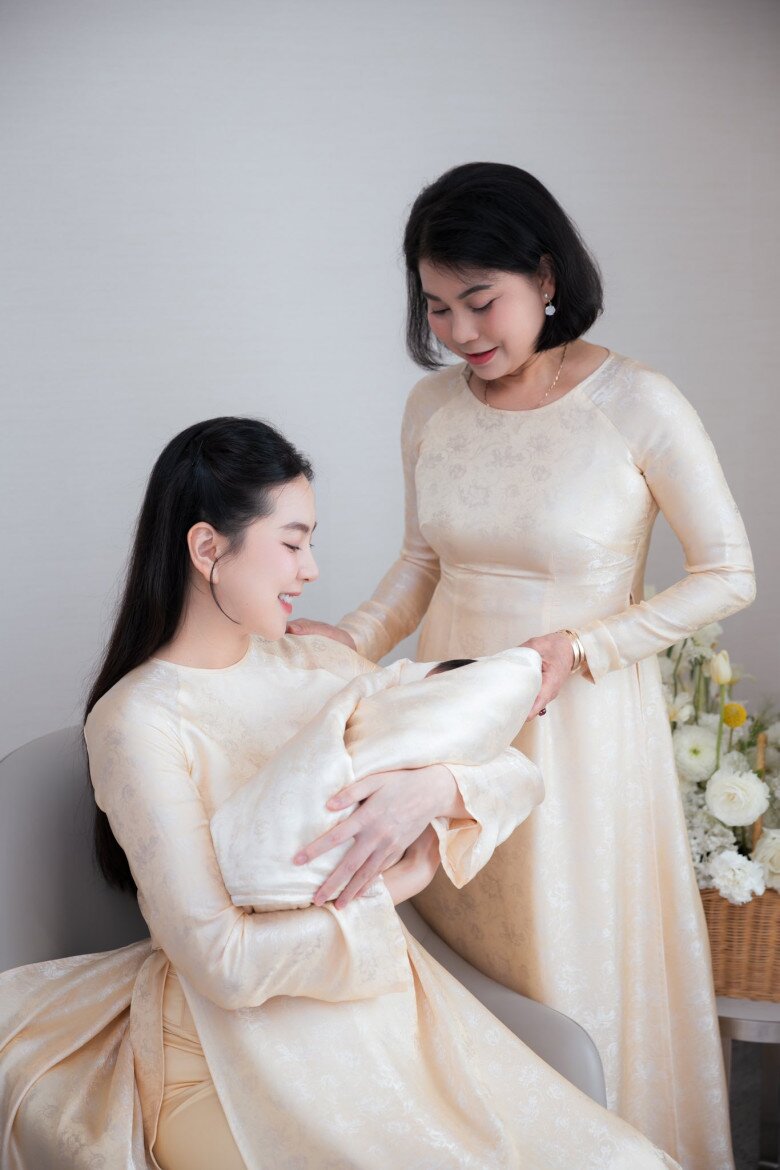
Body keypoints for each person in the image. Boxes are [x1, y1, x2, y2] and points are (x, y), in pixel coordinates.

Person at [0, 416, 682, 1170]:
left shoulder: (320, 667)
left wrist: (434, 788)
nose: (312, 570)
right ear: (207, 548)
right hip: (226, 1050)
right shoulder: (137, 719)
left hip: (380, 1026)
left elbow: (515, 773)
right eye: (292, 544)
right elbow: (222, 962)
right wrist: (400, 882)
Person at [287, 161, 756, 1170]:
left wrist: (583, 647)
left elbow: (729, 573)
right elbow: (422, 565)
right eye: (436, 307)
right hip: (449, 723)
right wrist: (349, 643)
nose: (459, 331)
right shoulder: (432, 407)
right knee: (458, 953)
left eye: (479, 300)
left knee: (563, 964)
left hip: (578, 732)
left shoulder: (638, 403)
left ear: (545, 277)